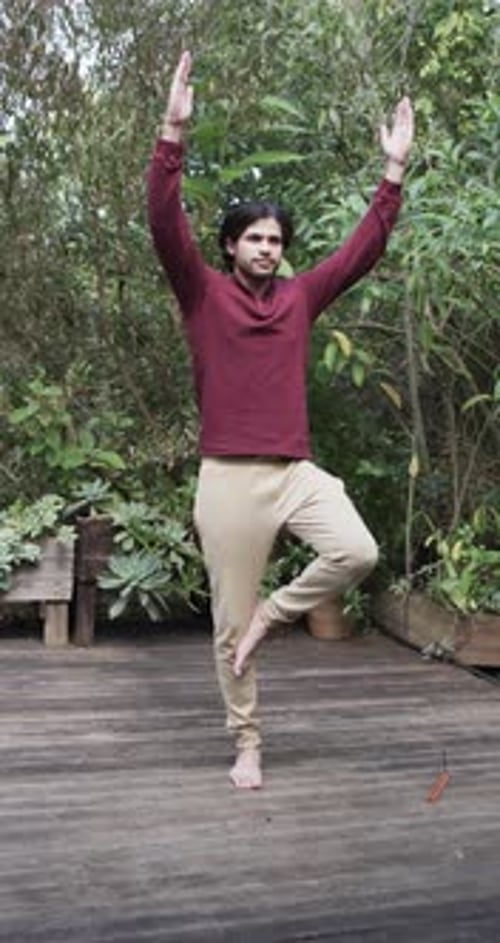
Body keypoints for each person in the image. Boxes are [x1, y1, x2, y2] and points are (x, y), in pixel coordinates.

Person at [148, 51, 414, 790]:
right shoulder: (201, 292)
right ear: (231, 244)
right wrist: (173, 130)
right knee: (229, 629)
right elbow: (163, 221)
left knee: (356, 550)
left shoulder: (300, 299)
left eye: (277, 240)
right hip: (229, 479)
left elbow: (361, 252)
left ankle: (278, 612)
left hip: (293, 470)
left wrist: (391, 175)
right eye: (255, 238)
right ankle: (247, 740)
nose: (268, 248)